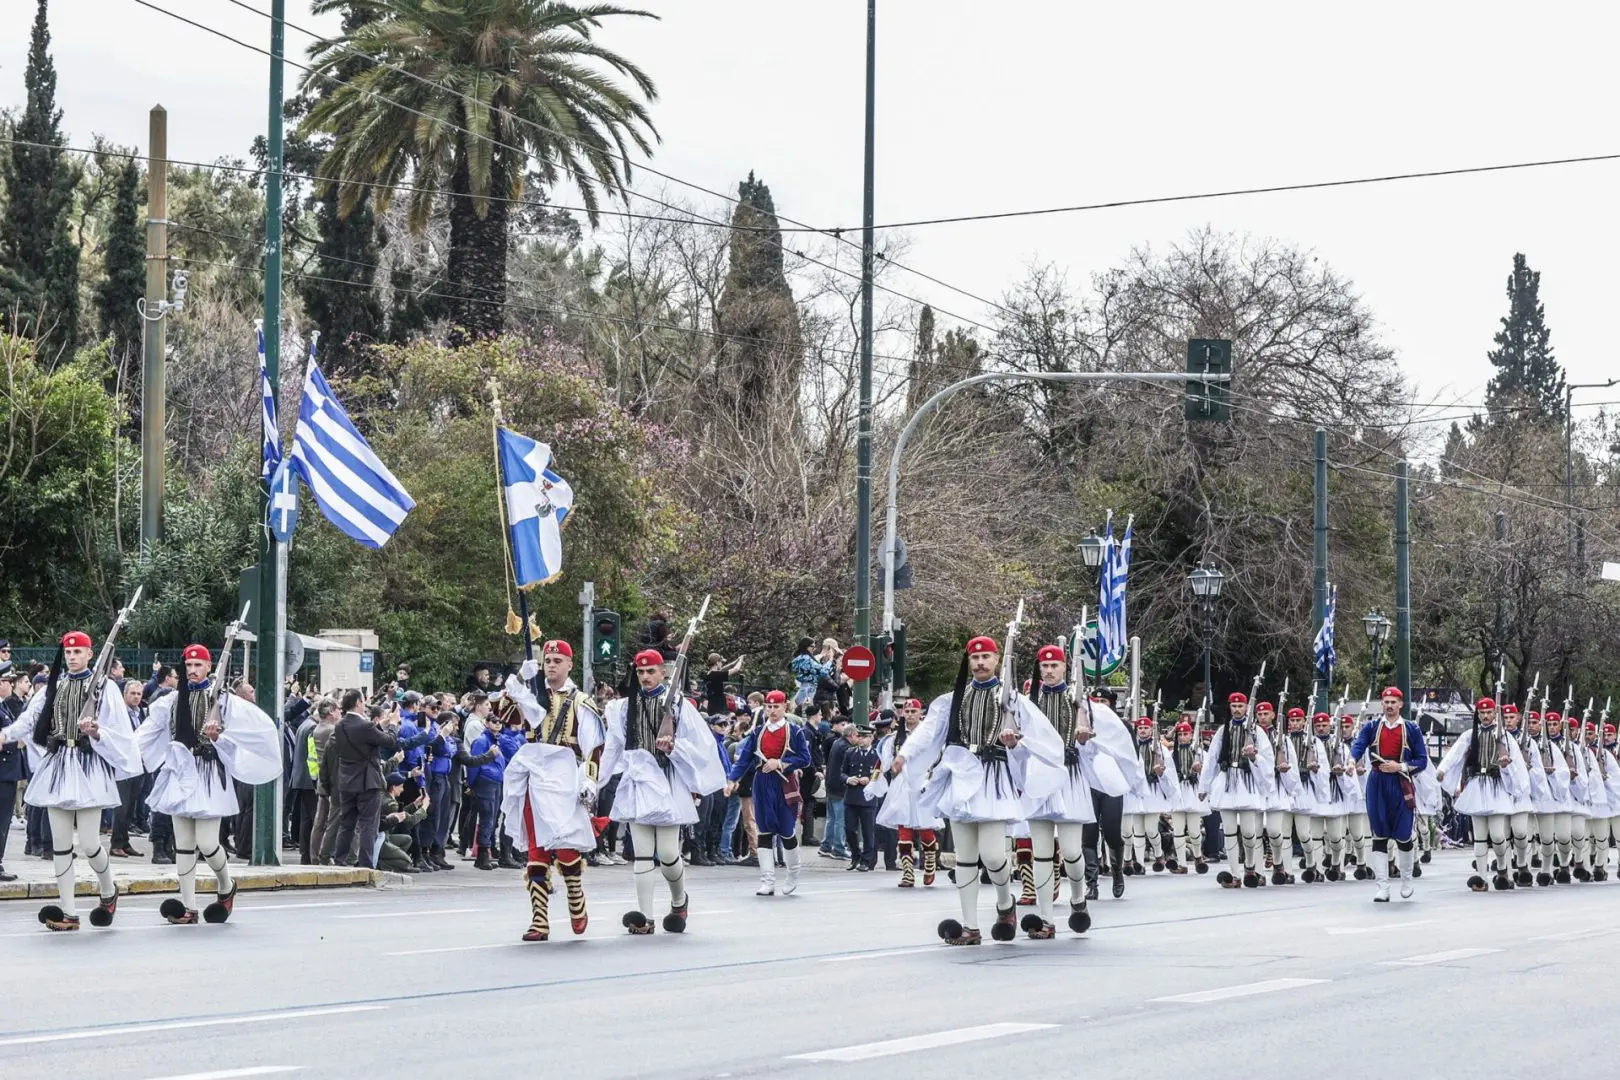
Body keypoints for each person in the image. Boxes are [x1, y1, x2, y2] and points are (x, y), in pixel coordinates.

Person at [891, 635, 1062, 946]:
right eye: (975, 658)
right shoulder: (953, 699)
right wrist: (905, 754)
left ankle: (1005, 903)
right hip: (960, 776)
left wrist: (1017, 742)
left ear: (996, 660)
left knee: (994, 856)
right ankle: (971, 927)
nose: (980, 663)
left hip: (994, 779)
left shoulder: (1013, 700)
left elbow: (1044, 737)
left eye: (986, 657)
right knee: (965, 858)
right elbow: (928, 731)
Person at [2, 632, 140, 931]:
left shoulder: (104, 687)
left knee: (90, 843)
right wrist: (6, 735)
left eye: (78, 652)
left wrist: (97, 732)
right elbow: (30, 718)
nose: (72, 657)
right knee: (61, 845)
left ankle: (108, 889)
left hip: (89, 767)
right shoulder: (56, 685)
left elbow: (121, 730)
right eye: (68, 652)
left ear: (90, 654)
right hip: (59, 765)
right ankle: (68, 912)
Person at [139, 644, 281, 924]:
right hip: (180, 771)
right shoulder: (170, 701)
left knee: (207, 843)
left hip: (208, 773)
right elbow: (147, 734)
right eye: (188, 666)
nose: (192, 670)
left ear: (209, 666)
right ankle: (188, 906)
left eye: (198, 665)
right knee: (183, 845)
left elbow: (247, 735)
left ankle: (226, 885)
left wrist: (218, 738)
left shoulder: (223, 701)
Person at [600, 649, 727, 934]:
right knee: (643, 854)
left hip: (668, 780)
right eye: (640, 672)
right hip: (638, 780)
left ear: (663, 673)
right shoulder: (623, 707)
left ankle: (679, 902)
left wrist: (675, 747)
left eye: (650, 671)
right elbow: (613, 747)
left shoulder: (679, 705)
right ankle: (645, 917)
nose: (645, 676)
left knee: (669, 853)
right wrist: (595, 781)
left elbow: (701, 744)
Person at [501, 641, 605, 942]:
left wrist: (589, 781)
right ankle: (539, 921)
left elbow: (593, 747)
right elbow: (505, 716)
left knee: (566, 845)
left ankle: (575, 897)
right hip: (535, 778)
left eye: (558, 660)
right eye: (547, 660)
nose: (551, 665)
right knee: (536, 849)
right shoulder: (532, 694)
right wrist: (519, 680)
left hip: (564, 779)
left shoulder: (581, 701)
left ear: (570, 664)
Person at [1018, 645, 1106, 938]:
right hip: (1039, 777)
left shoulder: (1078, 700)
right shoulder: (1030, 701)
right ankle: (1046, 919)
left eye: (1054, 665)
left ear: (1065, 667)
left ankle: (1078, 897)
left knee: (1071, 852)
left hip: (1070, 778)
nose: (1048, 670)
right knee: (1041, 854)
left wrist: (1084, 740)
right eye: (1044, 666)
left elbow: (1093, 748)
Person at [1436, 696, 1528, 892]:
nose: (1485, 716)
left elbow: (1517, 762)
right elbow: (1455, 753)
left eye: (1488, 712)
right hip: (1477, 784)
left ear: (1494, 713)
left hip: (1497, 786)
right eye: (1482, 713)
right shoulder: (1471, 735)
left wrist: (1508, 767)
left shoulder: (1505, 736)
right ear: (1477, 714)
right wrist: (1443, 769)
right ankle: (1482, 877)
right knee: (1479, 835)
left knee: (1497, 834)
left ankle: (1503, 869)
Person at [726, 689, 812, 895]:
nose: (772, 711)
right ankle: (768, 881)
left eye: (776, 707)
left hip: (784, 783)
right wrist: (732, 779)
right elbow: (745, 759)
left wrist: (780, 763)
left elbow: (805, 758)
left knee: (786, 830)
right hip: (762, 783)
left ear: (785, 707)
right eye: (769, 707)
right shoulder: (758, 732)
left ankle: (792, 873)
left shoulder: (795, 731)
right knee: (763, 831)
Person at [1348, 687, 1429, 902]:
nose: (1390, 705)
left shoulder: (1411, 729)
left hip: (1401, 783)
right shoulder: (1372, 726)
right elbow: (1359, 745)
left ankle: (1406, 880)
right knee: (1379, 835)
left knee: (1403, 835)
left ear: (1401, 704)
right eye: (1386, 702)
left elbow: (1422, 760)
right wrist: (1351, 761)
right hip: (1377, 784)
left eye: (1394, 702)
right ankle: (1382, 887)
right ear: (1382, 704)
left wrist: (1400, 766)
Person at [1196, 691, 1275, 889]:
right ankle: (1235, 874)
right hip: (1227, 781)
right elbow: (1212, 759)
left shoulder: (1257, 731)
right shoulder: (1223, 731)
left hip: (1247, 782)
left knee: (1249, 831)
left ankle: (1250, 867)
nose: (1237, 709)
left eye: (1240, 706)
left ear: (1247, 707)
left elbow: (1268, 759)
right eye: (1234, 706)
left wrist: (1254, 756)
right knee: (1230, 832)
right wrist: (1204, 785)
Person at [875, 698, 943, 888]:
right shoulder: (895, 738)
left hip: (923, 783)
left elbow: (939, 758)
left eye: (914, 711)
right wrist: (876, 780)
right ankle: (907, 872)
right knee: (903, 828)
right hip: (902, 786)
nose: (910, 714)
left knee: (925, 827)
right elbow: (884, 761)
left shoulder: (929, 735)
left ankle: (930, 863)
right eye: (907, 711)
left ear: (921, 713)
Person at [331, 689, 401, 869]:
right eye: (363, 701)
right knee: (368, 824)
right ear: (358, 703)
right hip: (368, 781)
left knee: (346, 823)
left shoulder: (339, 725)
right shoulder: (365, 726)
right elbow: (389, 741)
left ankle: (339, 860)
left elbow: (364, 737)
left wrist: (381, 724)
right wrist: (393, 724)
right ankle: (366, 864)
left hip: (347, 780)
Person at [836, 718, 881, 873]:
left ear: (871, 738)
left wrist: (870, 779)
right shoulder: (850, 752)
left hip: (868, 798)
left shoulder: (877, 754)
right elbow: (842, 772)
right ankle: (855, 855)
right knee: (849, 829)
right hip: (852, 796)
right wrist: (848, 779)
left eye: (864, 737)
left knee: (868, 831)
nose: (861, 739)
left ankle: (866, 860)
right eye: (859, 736)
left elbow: (881, 773)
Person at [1167, 717, 1203, 873]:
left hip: (1193, 790)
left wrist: (1199, 770)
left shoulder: (1199, 752)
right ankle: (1182, 863)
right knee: (1178, 831)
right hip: (1178, 791)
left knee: (1194, 831)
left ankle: (1198, 856)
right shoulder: (1171, 754)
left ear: (1191, 735)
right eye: (1180, 735)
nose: (1182, 737)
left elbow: (1208, 771)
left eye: (1185, 734)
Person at [789, 637, 833, 708]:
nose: (814, 649)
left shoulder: (799, 658)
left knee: (802, 709)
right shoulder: (807, 659)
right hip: (808, 689)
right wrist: (830, 660)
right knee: (805, 710)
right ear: (806, 646)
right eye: (812, 646)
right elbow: (823, 672)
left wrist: (821, 655)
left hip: (802, 687)